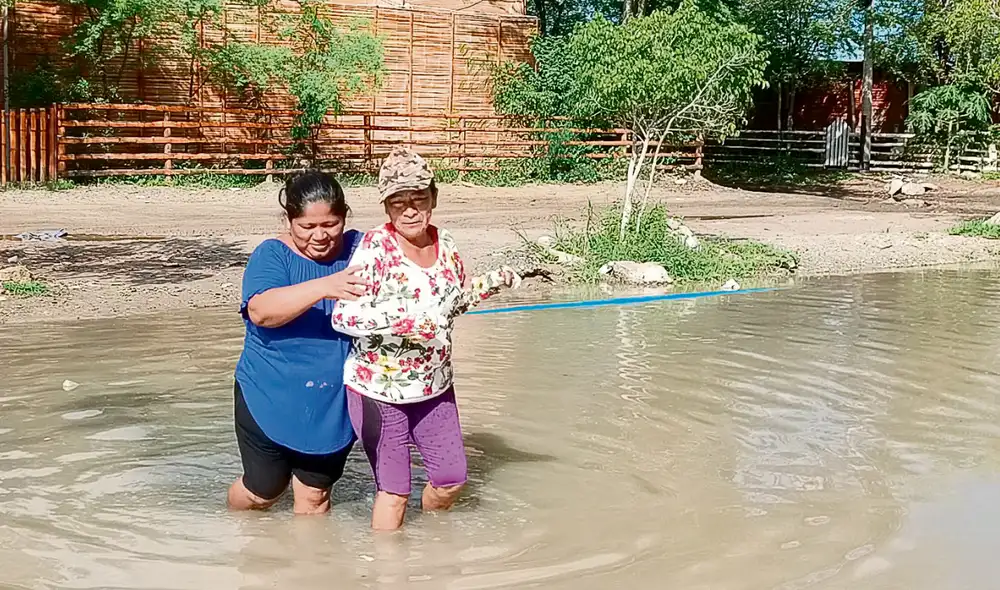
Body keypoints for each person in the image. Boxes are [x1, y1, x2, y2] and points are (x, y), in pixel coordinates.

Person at [331, 147, 520, 530]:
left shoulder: (446, 244)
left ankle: (434, 546)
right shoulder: (375, 248)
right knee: (395, 492)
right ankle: (385, 562)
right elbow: (343, 316)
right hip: (380, 391)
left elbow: (451, 305)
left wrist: (491, 283)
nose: (410, 211)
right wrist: (402, 322)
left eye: (418, 198)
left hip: (434, 387)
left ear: (433, 197)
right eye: (398, 202)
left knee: (451, 481)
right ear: (387, 207)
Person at [228, 171, 367, 515]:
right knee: (263, 491)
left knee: (315, 496)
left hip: (334, 401)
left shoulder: (363, 249)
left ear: (345, 218)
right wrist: (325, 286)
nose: (320, 235)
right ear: (289, 221)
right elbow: (261, 311)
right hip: (269, 393)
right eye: (307, 227)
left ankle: (310, 551)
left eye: (330, 224)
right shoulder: (271, 255)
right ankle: (232, 526)